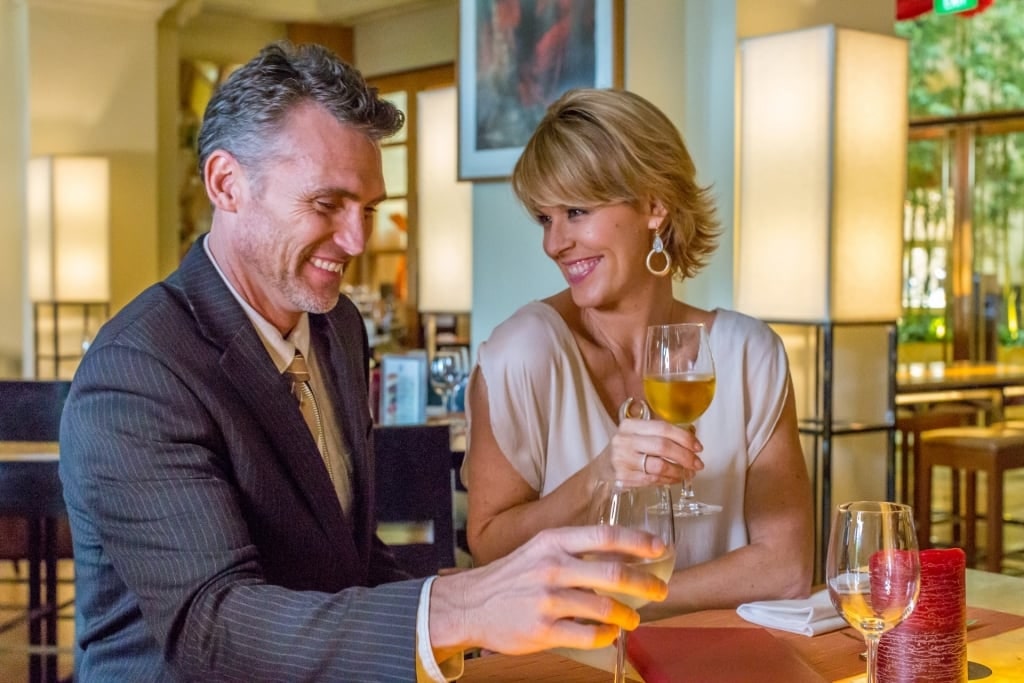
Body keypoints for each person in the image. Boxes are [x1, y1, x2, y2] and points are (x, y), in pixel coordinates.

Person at [57, 42, 672, 682]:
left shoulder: (336, 326)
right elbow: (216, 625)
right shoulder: (137, 373)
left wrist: (490, 604)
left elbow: (344, 561)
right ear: (226, 183)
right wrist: (461, 607)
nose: (357, 240)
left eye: (369, 209)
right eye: (327, 205)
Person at [463, 88, 814, 618]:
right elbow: (490, 546)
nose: (554, 243)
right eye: (545, 218)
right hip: (570, 666)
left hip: (721, 666)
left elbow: (786, 568)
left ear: (654, 206)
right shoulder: (523, 354)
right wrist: (601, 475)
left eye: (576, 211)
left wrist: (625, 600)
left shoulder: (749, 357)